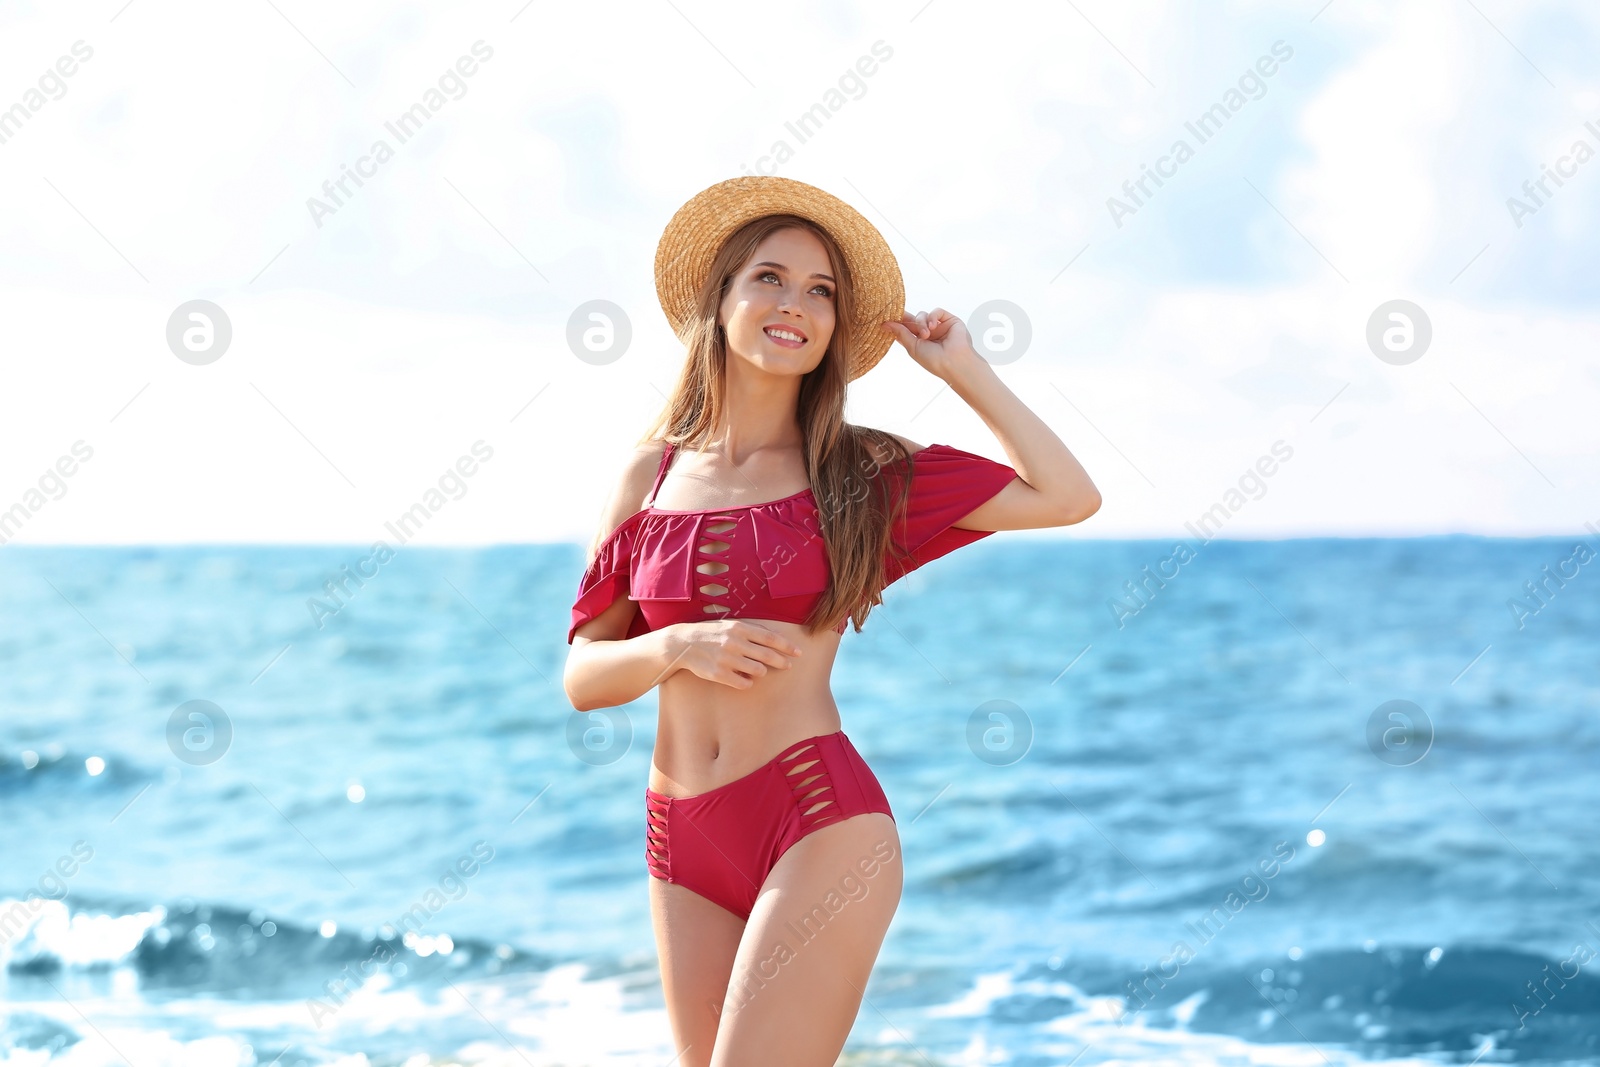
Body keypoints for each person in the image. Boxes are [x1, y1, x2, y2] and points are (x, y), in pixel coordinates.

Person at [563, 175, 1101, 1067]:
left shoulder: (864, 474)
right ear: (721, 298)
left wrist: (965, 371)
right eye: (771, 278)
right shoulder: (646, 476)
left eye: (821, 292)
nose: (796, 305)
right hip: (677, 830)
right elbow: (583, 675)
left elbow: (1068, 494)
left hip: (818, 820)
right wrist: (679, 644)